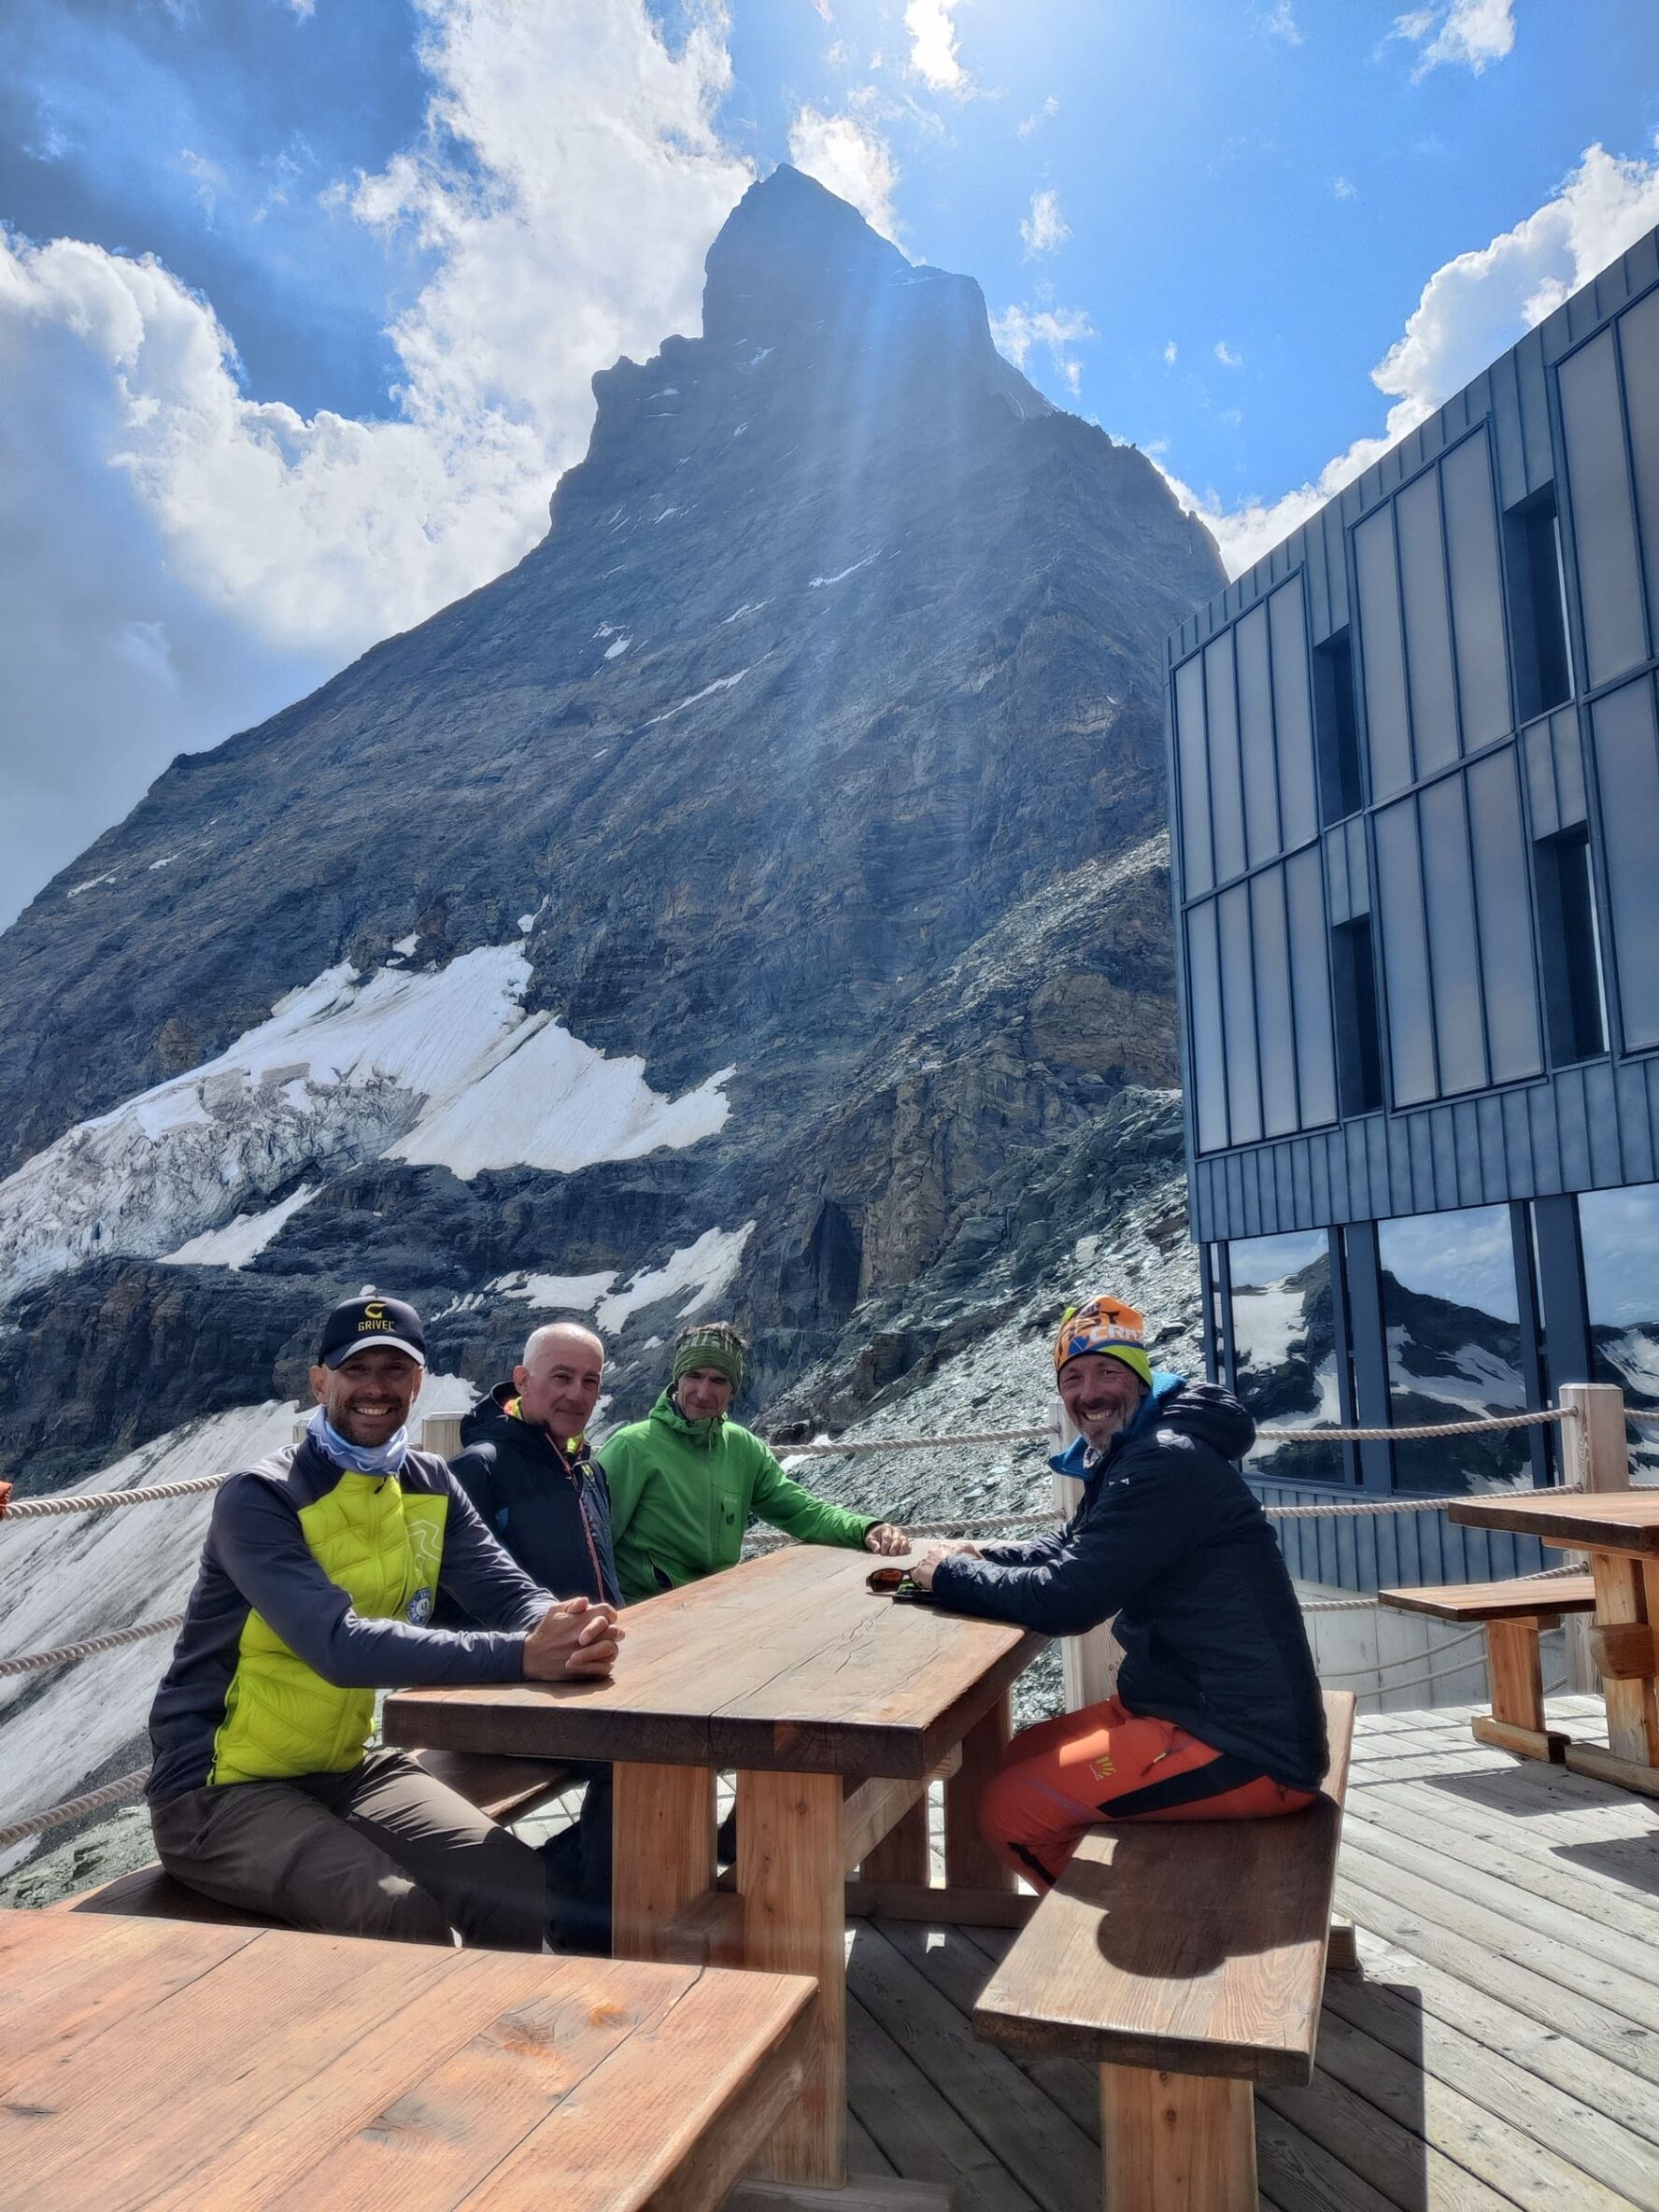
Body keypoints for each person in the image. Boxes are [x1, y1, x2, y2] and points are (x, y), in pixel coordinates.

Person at [146, 1294, 622, 1950]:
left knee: (513, 1880)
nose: (376, 1387)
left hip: (340, 1765)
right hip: (217, 1789)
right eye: (356, 1368)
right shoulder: (261, 1496)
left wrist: (564, 1623)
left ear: (418, 1382)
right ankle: (416, 2052)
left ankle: (493, 2043)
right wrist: (522, 1655)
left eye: (394, 1371)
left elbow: (503, 1588)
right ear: (320, 1381)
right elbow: (336, 1646)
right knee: (397, 1914)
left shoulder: (427, 1480)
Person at [907, 1294, 1327, 1892]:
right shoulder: (1144, 1448)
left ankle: (1142, 1941)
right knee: (1019, 1754)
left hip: (1245, 1745)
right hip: (1184, 1706)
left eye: (1108, 1372)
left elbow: (1067, 1599)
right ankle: (1146, 1886)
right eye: (1073, 1378)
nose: (1090, 1392)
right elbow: (1078, 1547)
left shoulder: (1162, 1462)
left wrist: (947, 1576)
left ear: (1141, 1378)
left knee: (1012, 1810)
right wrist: (983, 1554)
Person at [443, 1319, 619, 1950]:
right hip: (504, 1691)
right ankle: (580, 1919)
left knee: (684, 1739)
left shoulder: (586, 1470)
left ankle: (568, 1884)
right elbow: (450, 1602)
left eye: (590, 1381)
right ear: (522, 1381)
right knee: (641, 1757)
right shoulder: (479, 1468)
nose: (576, 1393)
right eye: (561, 1378)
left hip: (578, 1683)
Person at [599, 1320, 910, 1606]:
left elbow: (801, 1513)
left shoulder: (744, 1448)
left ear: (733, 1389)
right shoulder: (632, 1447)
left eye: (718, 1380)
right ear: (677, 1378)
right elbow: (590, 1546)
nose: (703, 1392)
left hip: (713, 1607)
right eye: (694, 1375)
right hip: (646, 1612)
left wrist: (866, 1527)